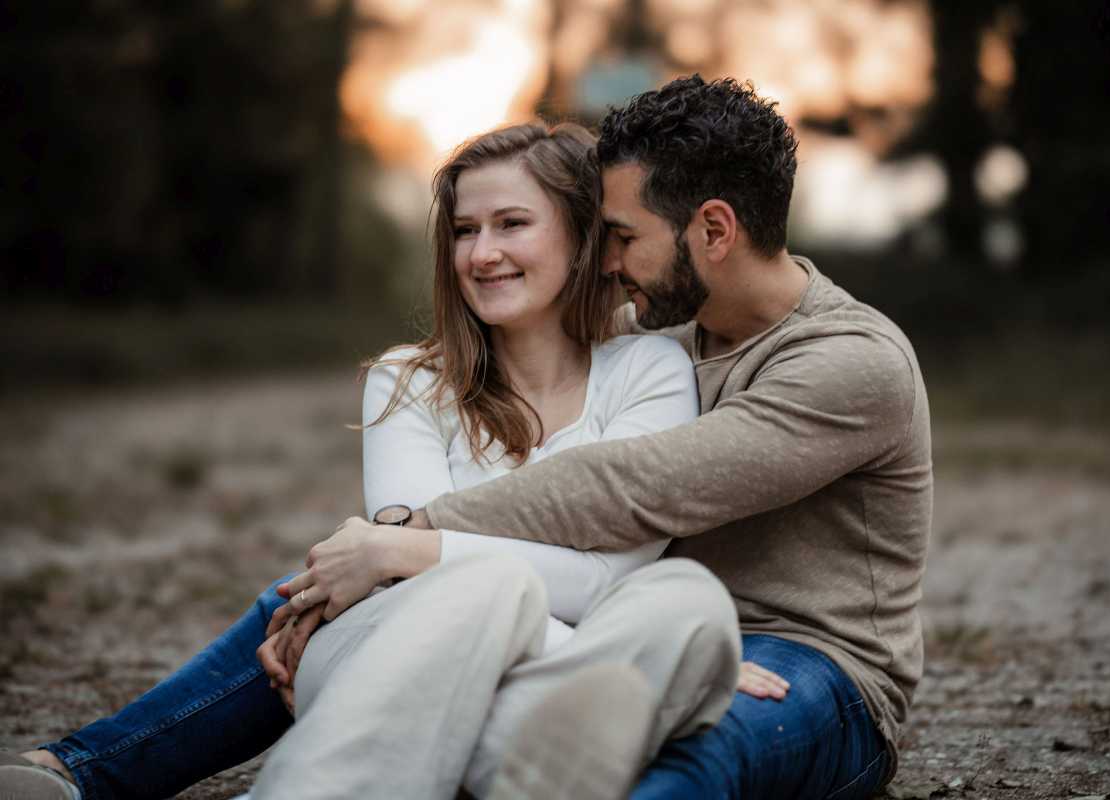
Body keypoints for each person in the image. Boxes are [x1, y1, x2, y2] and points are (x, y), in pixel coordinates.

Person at [1, 122, 753, 800]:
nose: (481, 253)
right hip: (393, 645)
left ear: (583, 237)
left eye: (512, 224)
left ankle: (520, 768)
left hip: (533, 663)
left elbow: (603, 578)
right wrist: (414, 559)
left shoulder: (650, 370)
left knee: (687, 600)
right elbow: (405, 582)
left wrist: (404, 543)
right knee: (491, 592)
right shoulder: (411, 380)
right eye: (464, 231)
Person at [393, 75, 934, 799]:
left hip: (814, 667)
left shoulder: (852, 362)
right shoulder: (653, 331)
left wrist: (413, 529)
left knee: (687, 755)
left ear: (713, 230)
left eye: (621, 237)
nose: (606, 265)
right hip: (631, 631)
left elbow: (629, 487)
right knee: (311, 608)